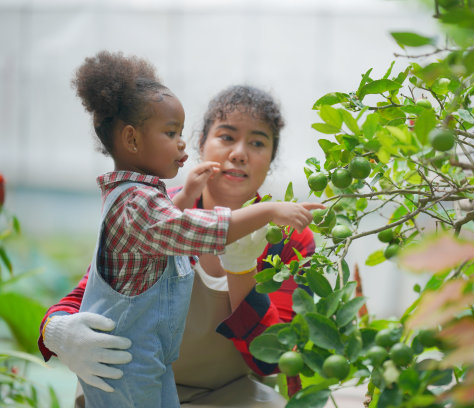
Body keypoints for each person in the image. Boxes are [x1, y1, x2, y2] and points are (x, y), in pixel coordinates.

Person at [39, 51, 322, 408]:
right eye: (227, 136)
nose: (239, 153)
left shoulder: (287, 237)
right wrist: (57, 330)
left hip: (226, 394)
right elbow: (94, 289)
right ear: (200, 144)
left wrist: (242, 270)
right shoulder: (159, 210)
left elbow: (273, 357)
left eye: (257, 142)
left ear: (272, 158)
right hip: (131, 380)